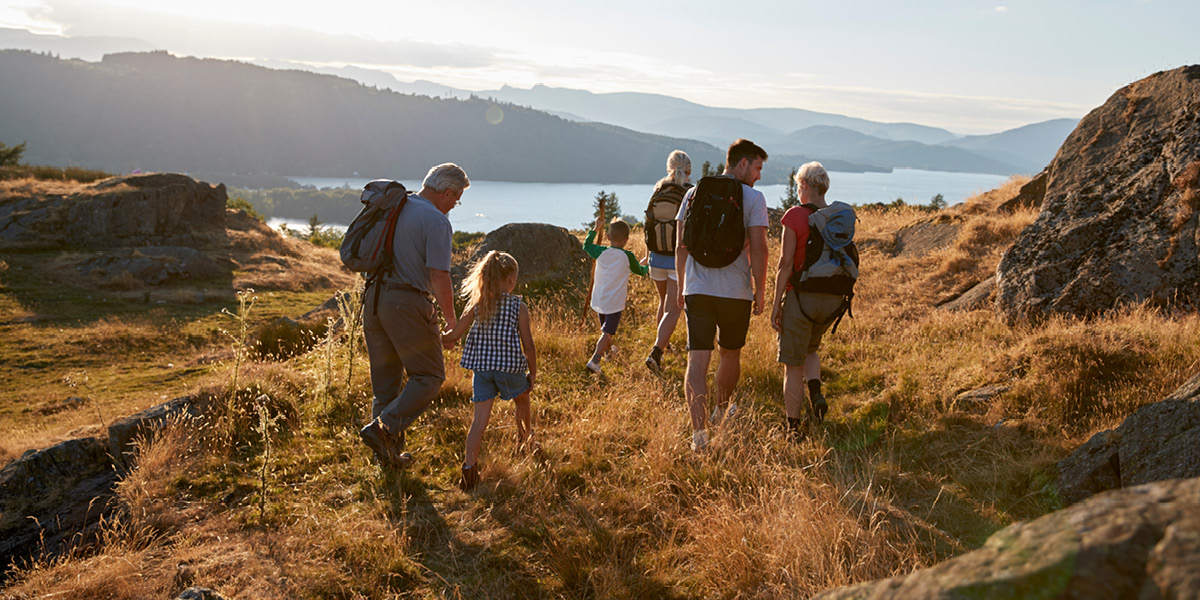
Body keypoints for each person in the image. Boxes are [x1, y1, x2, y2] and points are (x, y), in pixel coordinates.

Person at [359, 163, 468, 468]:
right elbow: (439, 276)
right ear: (447, 192)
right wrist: (450, 318)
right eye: (456, 200)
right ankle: (383, 430)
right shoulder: (435, 221)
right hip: (406, 303)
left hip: (373, 300)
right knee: (429, 375)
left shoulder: (396, 206)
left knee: (385, 387)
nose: (454, 207)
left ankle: (388, 459)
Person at [675, 139, 769, 452]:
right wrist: (761, 289)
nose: (757, 176)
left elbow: (681, 245)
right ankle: (720, 409)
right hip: (735, 293)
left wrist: (681, 286)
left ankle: (698, 436)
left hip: (698, 290)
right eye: (757, 168)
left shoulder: (693, 193)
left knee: (697, 359)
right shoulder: (753, 198)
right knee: (730, 354)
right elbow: (759, 247)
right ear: (742, 163)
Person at [441, 251, 537, 492]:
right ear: (511, 279)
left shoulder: (478, 305)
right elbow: (529, 346)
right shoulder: (518, 306)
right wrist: (532, 374)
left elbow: (452, 336)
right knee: (522, 400)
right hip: (509, 369)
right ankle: (524, 444)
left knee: (479, 420)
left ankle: (469, 469)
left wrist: (438, 332)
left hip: (482, 371)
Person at [770, 162, 845, 440]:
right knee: (811, 349)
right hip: (832, 300)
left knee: (792, 364)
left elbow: (785, 263)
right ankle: (816, 394)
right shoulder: (837, 216)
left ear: (805, 186)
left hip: (802, 299)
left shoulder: (795, 216)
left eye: (799, 186)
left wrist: (777, 303)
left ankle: (792, 428)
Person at [644, 150, 692, 375]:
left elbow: (647, 225)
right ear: (688, 171)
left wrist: (647, 254)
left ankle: (664, 343)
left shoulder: (658, 189)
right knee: (673, 310)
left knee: (663, 302)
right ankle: (656, 352)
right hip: (675, 258)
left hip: (655, 258)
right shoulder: (688, 193)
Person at [584, 216, 649, 373]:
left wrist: (596, 228)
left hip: (600, 298)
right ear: (626, 239)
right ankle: (595, 361)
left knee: (606, 331)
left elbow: (586, 245)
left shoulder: (600, 252)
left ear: (607, 237)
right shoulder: (628, 256)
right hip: (614, 303)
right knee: (607, 332)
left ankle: (608, 353)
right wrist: (647, 264)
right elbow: (640, 271)